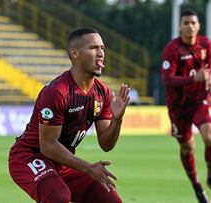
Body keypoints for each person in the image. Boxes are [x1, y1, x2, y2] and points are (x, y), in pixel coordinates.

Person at [8, 27, 129, 203]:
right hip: (30, 158)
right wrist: (87, 168)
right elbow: (48, 145)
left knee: (110, 200)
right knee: (58, 197)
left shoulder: (103, 93)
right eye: (93, 48)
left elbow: (106, 144)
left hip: (63, 162)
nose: (101, 53)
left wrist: (117, 120)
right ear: (75, 53)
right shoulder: (58, 92)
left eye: (102, 48)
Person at [160, 10, 211, 203]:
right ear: (180, 26)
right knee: (188, 148)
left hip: (199, 100)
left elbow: (209, 62)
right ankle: (197, 187)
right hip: (178, 107)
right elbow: (167, 79)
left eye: (193, 23)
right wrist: (193, 78)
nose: (190, 26)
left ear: (198, 26)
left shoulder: (206, 44)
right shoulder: (172, 49)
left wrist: (210, 76)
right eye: (186, 23)